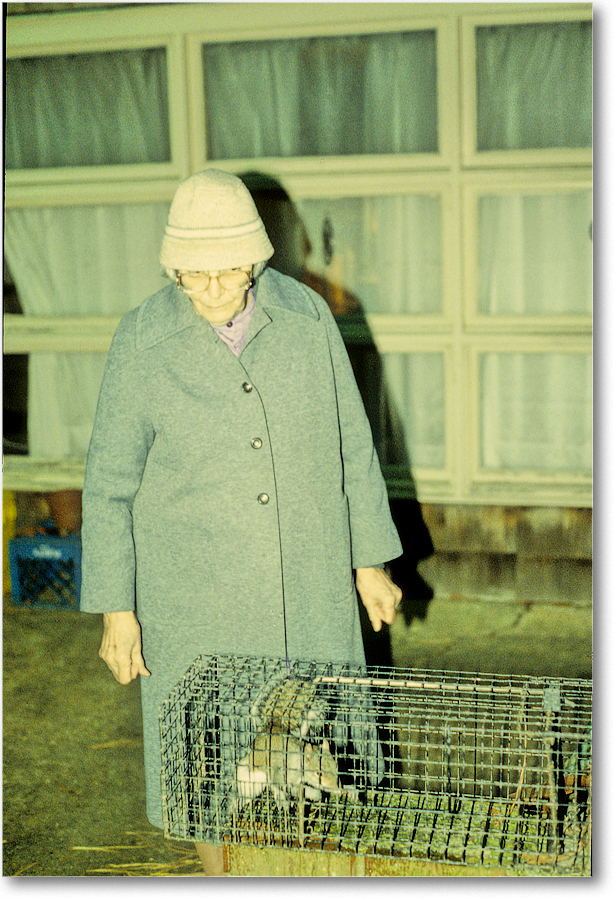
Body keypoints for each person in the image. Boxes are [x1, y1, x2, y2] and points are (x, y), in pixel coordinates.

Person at [80, 169, 403, 876]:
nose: (214, 292)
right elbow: (107, 486)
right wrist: (117, 610)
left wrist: (369, 563)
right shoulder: (142, 340)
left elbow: (352, 443)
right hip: (196, 600)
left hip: (307, 583)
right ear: (172, 267)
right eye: (193, 277)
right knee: (210, 770)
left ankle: (308, 873)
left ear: (257, 258)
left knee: (321, 756)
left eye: (229, 273)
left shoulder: (309, 318)